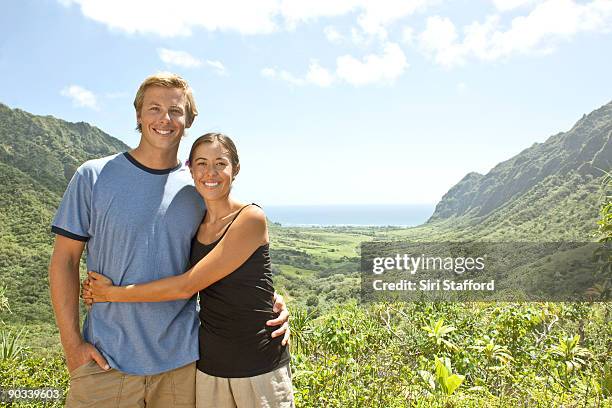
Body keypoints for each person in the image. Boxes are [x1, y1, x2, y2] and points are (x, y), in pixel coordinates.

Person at [48, 73, 289, 408]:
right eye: (154, 108)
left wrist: (269, 300)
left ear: (188, 119)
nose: (165, 119)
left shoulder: (197, 190)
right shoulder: (94, 176)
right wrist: (72, 347)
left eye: (175, 111)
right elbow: (64, 261)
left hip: (183, 366)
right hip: (105, 362)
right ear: (138, 115)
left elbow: (222, 258)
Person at [83, 133, 294, 408]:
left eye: (221, 163)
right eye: (202, 163)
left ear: (236, 169)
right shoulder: (197, 221)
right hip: (209, 363)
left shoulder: (250, 217)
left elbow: (186, 285)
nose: (211, 173)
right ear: (190, 169)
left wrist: (110, 294)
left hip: (256, 360)